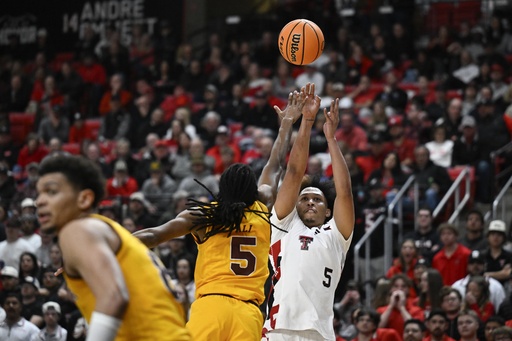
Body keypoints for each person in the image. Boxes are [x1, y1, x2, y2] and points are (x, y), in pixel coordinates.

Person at [134, 89, 305, 340]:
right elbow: (275, 164)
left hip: (210, 307)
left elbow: (151, 235)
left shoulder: (204, 217)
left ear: (221, 189)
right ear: (252, 191)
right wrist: (287, 124)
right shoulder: (262, 205)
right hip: (247, 312)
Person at [35, 155, 190, 340]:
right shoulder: (106, 230)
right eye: (39, 193)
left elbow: (114, 298)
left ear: (84, 199)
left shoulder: (77, 229)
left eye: (51, 192)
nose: (40, 201)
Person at [263, 92, 355, 339]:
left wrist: (331, 138)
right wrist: (306, 122)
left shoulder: (336, 235)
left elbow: (344, 191)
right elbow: (293, 172)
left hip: (320, 333)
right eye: (304, 199)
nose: (310, 202)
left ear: (328, 211)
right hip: (277, 330)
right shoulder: (284, 224)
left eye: (317, 199)